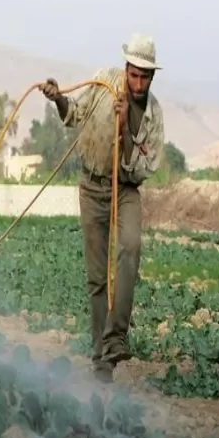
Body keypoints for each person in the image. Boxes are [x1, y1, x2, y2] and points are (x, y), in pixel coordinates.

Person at [39, 33, 165, 384]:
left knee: (131, 247)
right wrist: (58, 98)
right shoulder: (102, 82)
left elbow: (142, 168)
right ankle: (101, 360)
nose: (138, 83)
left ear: (152, 77)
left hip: (124, 189)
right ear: (125, 68)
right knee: (96, 278)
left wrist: (124, 131)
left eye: (145, 77)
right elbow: (74, 115)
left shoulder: (153, 115)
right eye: (134, 74)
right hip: (92, 186)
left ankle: (116, 337)